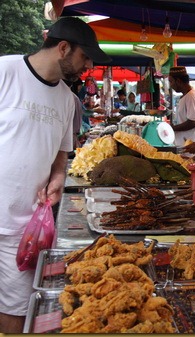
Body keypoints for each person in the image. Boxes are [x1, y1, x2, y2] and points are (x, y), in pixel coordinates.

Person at [0, 17, 110, 333]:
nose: (87, 66)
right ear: (63, 48)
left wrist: (58, 177)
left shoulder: (67, 100)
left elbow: (61, 153)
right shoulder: (6, 72)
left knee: (15, 310)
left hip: (24, 229)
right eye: (84, 57)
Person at [168, 66, 195, 147]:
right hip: (183, 146)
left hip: (189, 149)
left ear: (178, 81)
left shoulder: (191, 96)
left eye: (171, 81)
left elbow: (194, 122)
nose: (170, 85)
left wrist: (172, 128)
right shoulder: (186, 96)